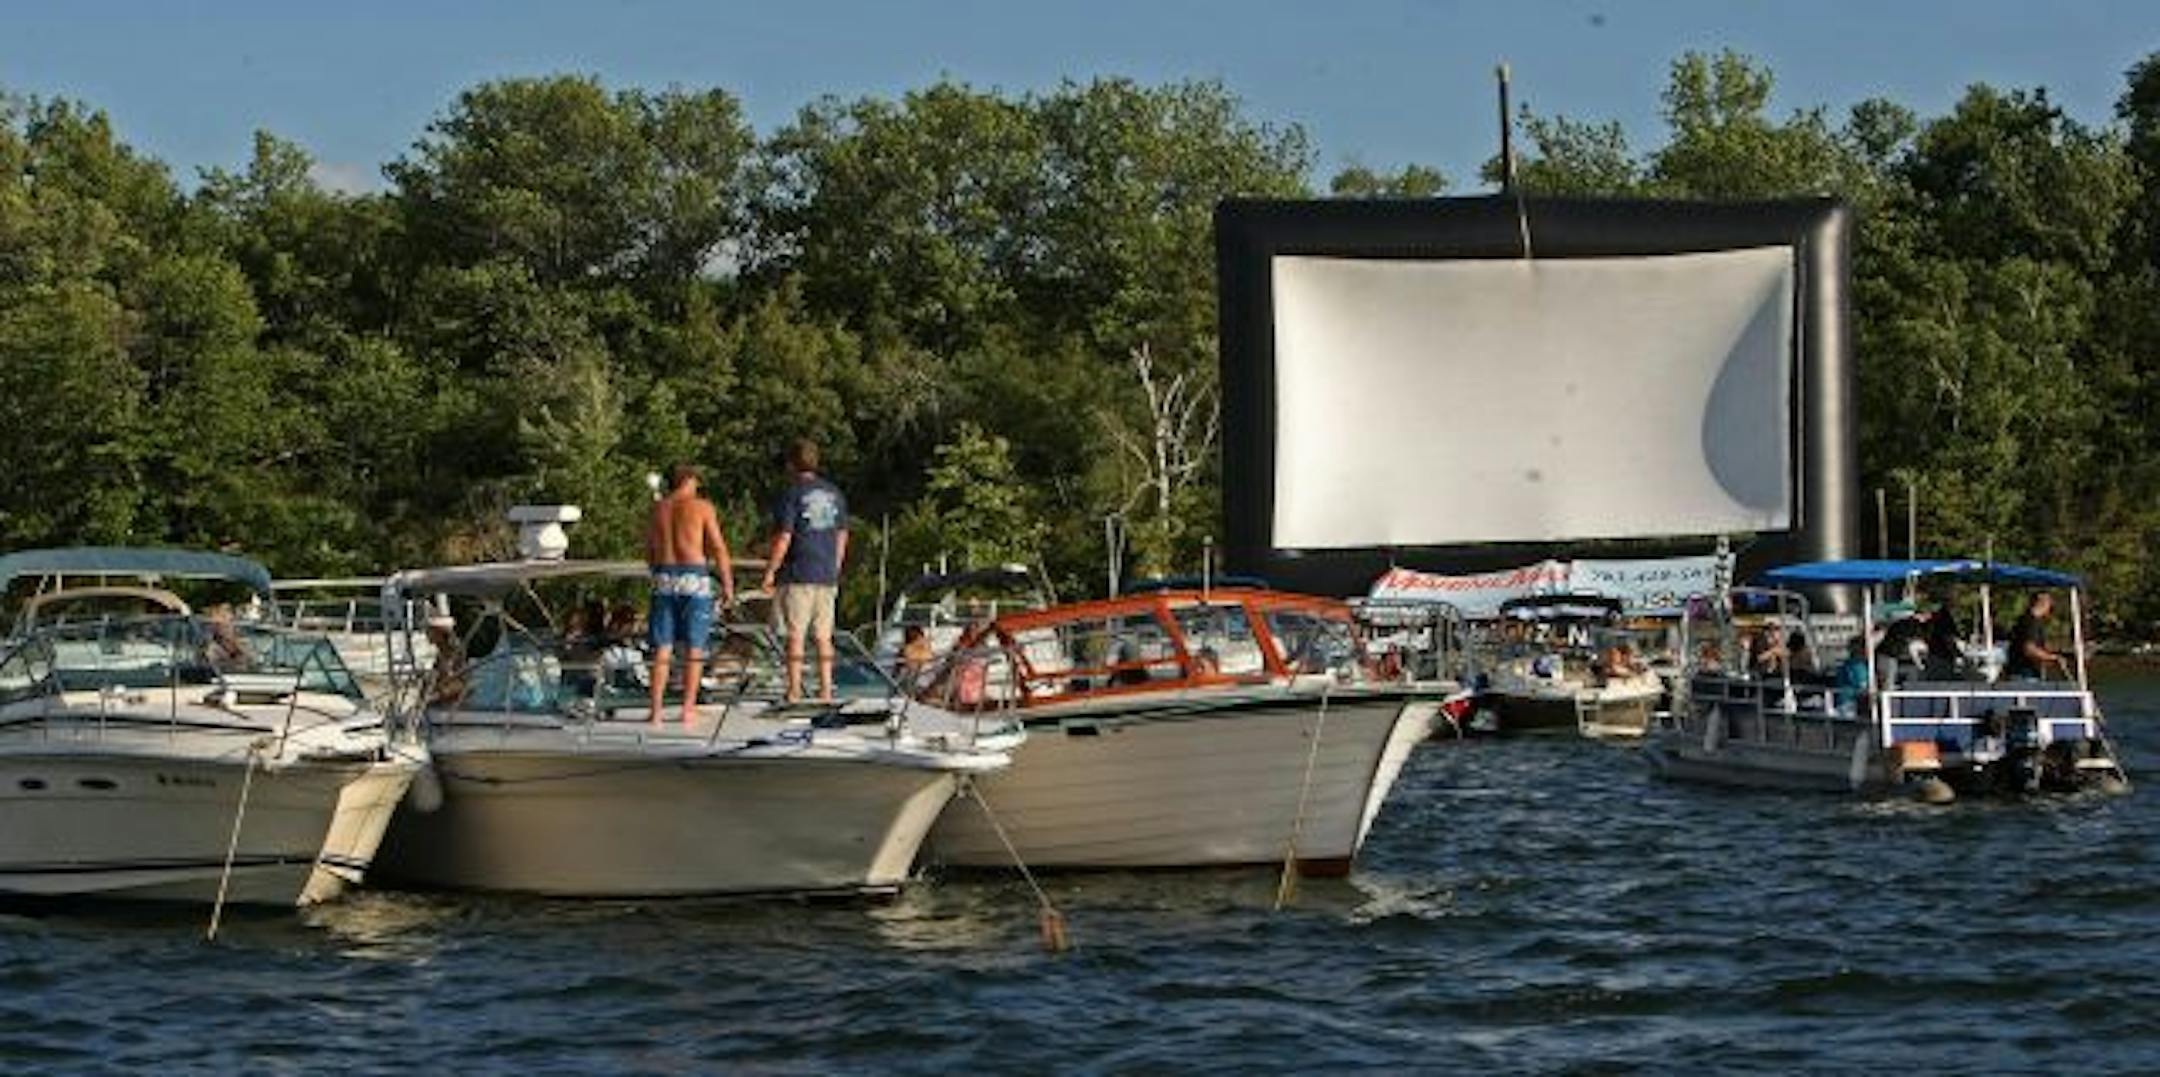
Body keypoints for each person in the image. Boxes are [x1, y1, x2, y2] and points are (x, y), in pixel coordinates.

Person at [646, 463, 736, 726]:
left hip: (665, 576)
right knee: (694, 647)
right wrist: (727, 584)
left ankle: (656, 710)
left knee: (663, 647)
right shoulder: (702, 507)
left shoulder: (658, 508)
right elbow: (718, 548)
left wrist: (658, 572)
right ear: (688, 480)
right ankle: (688, 708)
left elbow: (649, 550)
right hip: (694, 577)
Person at [761, 439, 849, 703]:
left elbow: (784, 536)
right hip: (826, 573)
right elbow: (842, 534)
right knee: (824, 636)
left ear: (791, 464)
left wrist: (771, 570)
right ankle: (826, 690)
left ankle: (794, 690)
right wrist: (835, 566)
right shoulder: (835, 494)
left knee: (796, 635)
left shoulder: (791, 495)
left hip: (799, 570)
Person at [2003, 592, 2065, 681]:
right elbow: (2029, 649)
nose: (2050, 609)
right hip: (2024, 675)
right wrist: (2051, 658)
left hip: (2020, 673)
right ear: (2044, 604)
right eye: (2050, 605)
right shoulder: (2031, 622)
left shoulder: (2024, 620)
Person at [426, 616, 467, 705]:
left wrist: (438, 695)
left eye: (431, 630)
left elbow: (461, 683)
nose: (427, 634)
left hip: (452, 705)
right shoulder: (440, 652)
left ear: (440, 632)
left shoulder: (454, 653)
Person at [1923, 599, 1963, 679]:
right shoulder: (1945, 620)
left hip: (1935, 655)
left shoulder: (1933, 621)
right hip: (1942, 656)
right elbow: (1948, 639)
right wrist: (1957, 653)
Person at [1833, 636, 1871, 715]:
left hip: (1842, 702)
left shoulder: (1847, 664)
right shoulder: (1857, 665)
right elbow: (1862, 687)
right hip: (1850, 704)